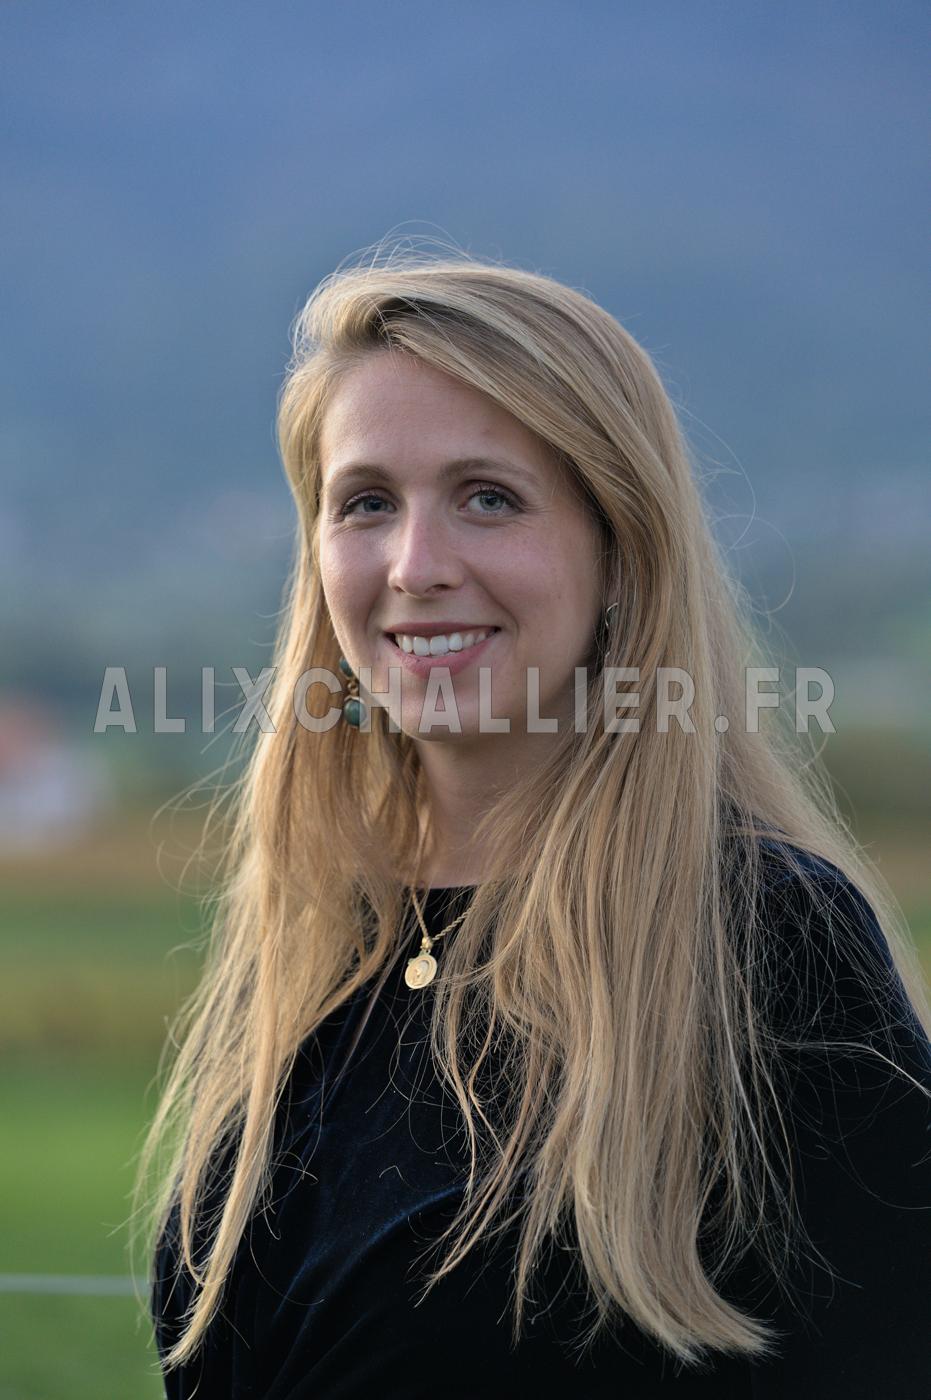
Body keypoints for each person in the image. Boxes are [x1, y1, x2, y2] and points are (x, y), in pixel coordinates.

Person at [137, 248, 931, 1398]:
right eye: (366, 502)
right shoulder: (322, 938)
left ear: (620, 551)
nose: (415, 566)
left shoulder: (761, 938)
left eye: (488, 497)